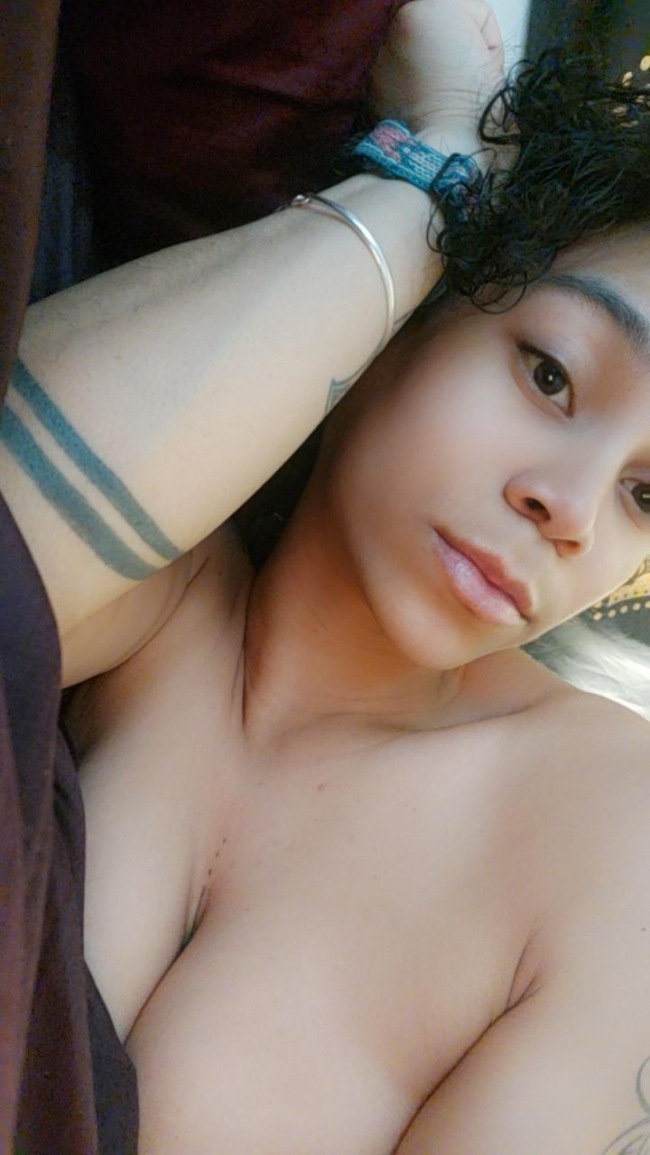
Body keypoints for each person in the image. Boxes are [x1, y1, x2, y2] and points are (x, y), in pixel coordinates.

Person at [3, 2, 650, 1151]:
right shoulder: (171, 589)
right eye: (549, 373)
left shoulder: (604, 832)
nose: (568, 507)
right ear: (412, 311)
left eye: (646, 496)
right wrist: (438, 174)